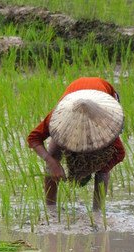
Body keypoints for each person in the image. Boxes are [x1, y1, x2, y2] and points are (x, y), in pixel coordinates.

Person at [27, 77, 126, 211]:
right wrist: (52, 163)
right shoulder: (58, 117)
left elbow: (119, 154)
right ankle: (50, 209)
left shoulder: (106, 125)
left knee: (103, 170)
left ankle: (97, 212)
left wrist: (93, 168)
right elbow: (33, 138)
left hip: (104, 102)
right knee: (53, 153)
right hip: (73, 104)